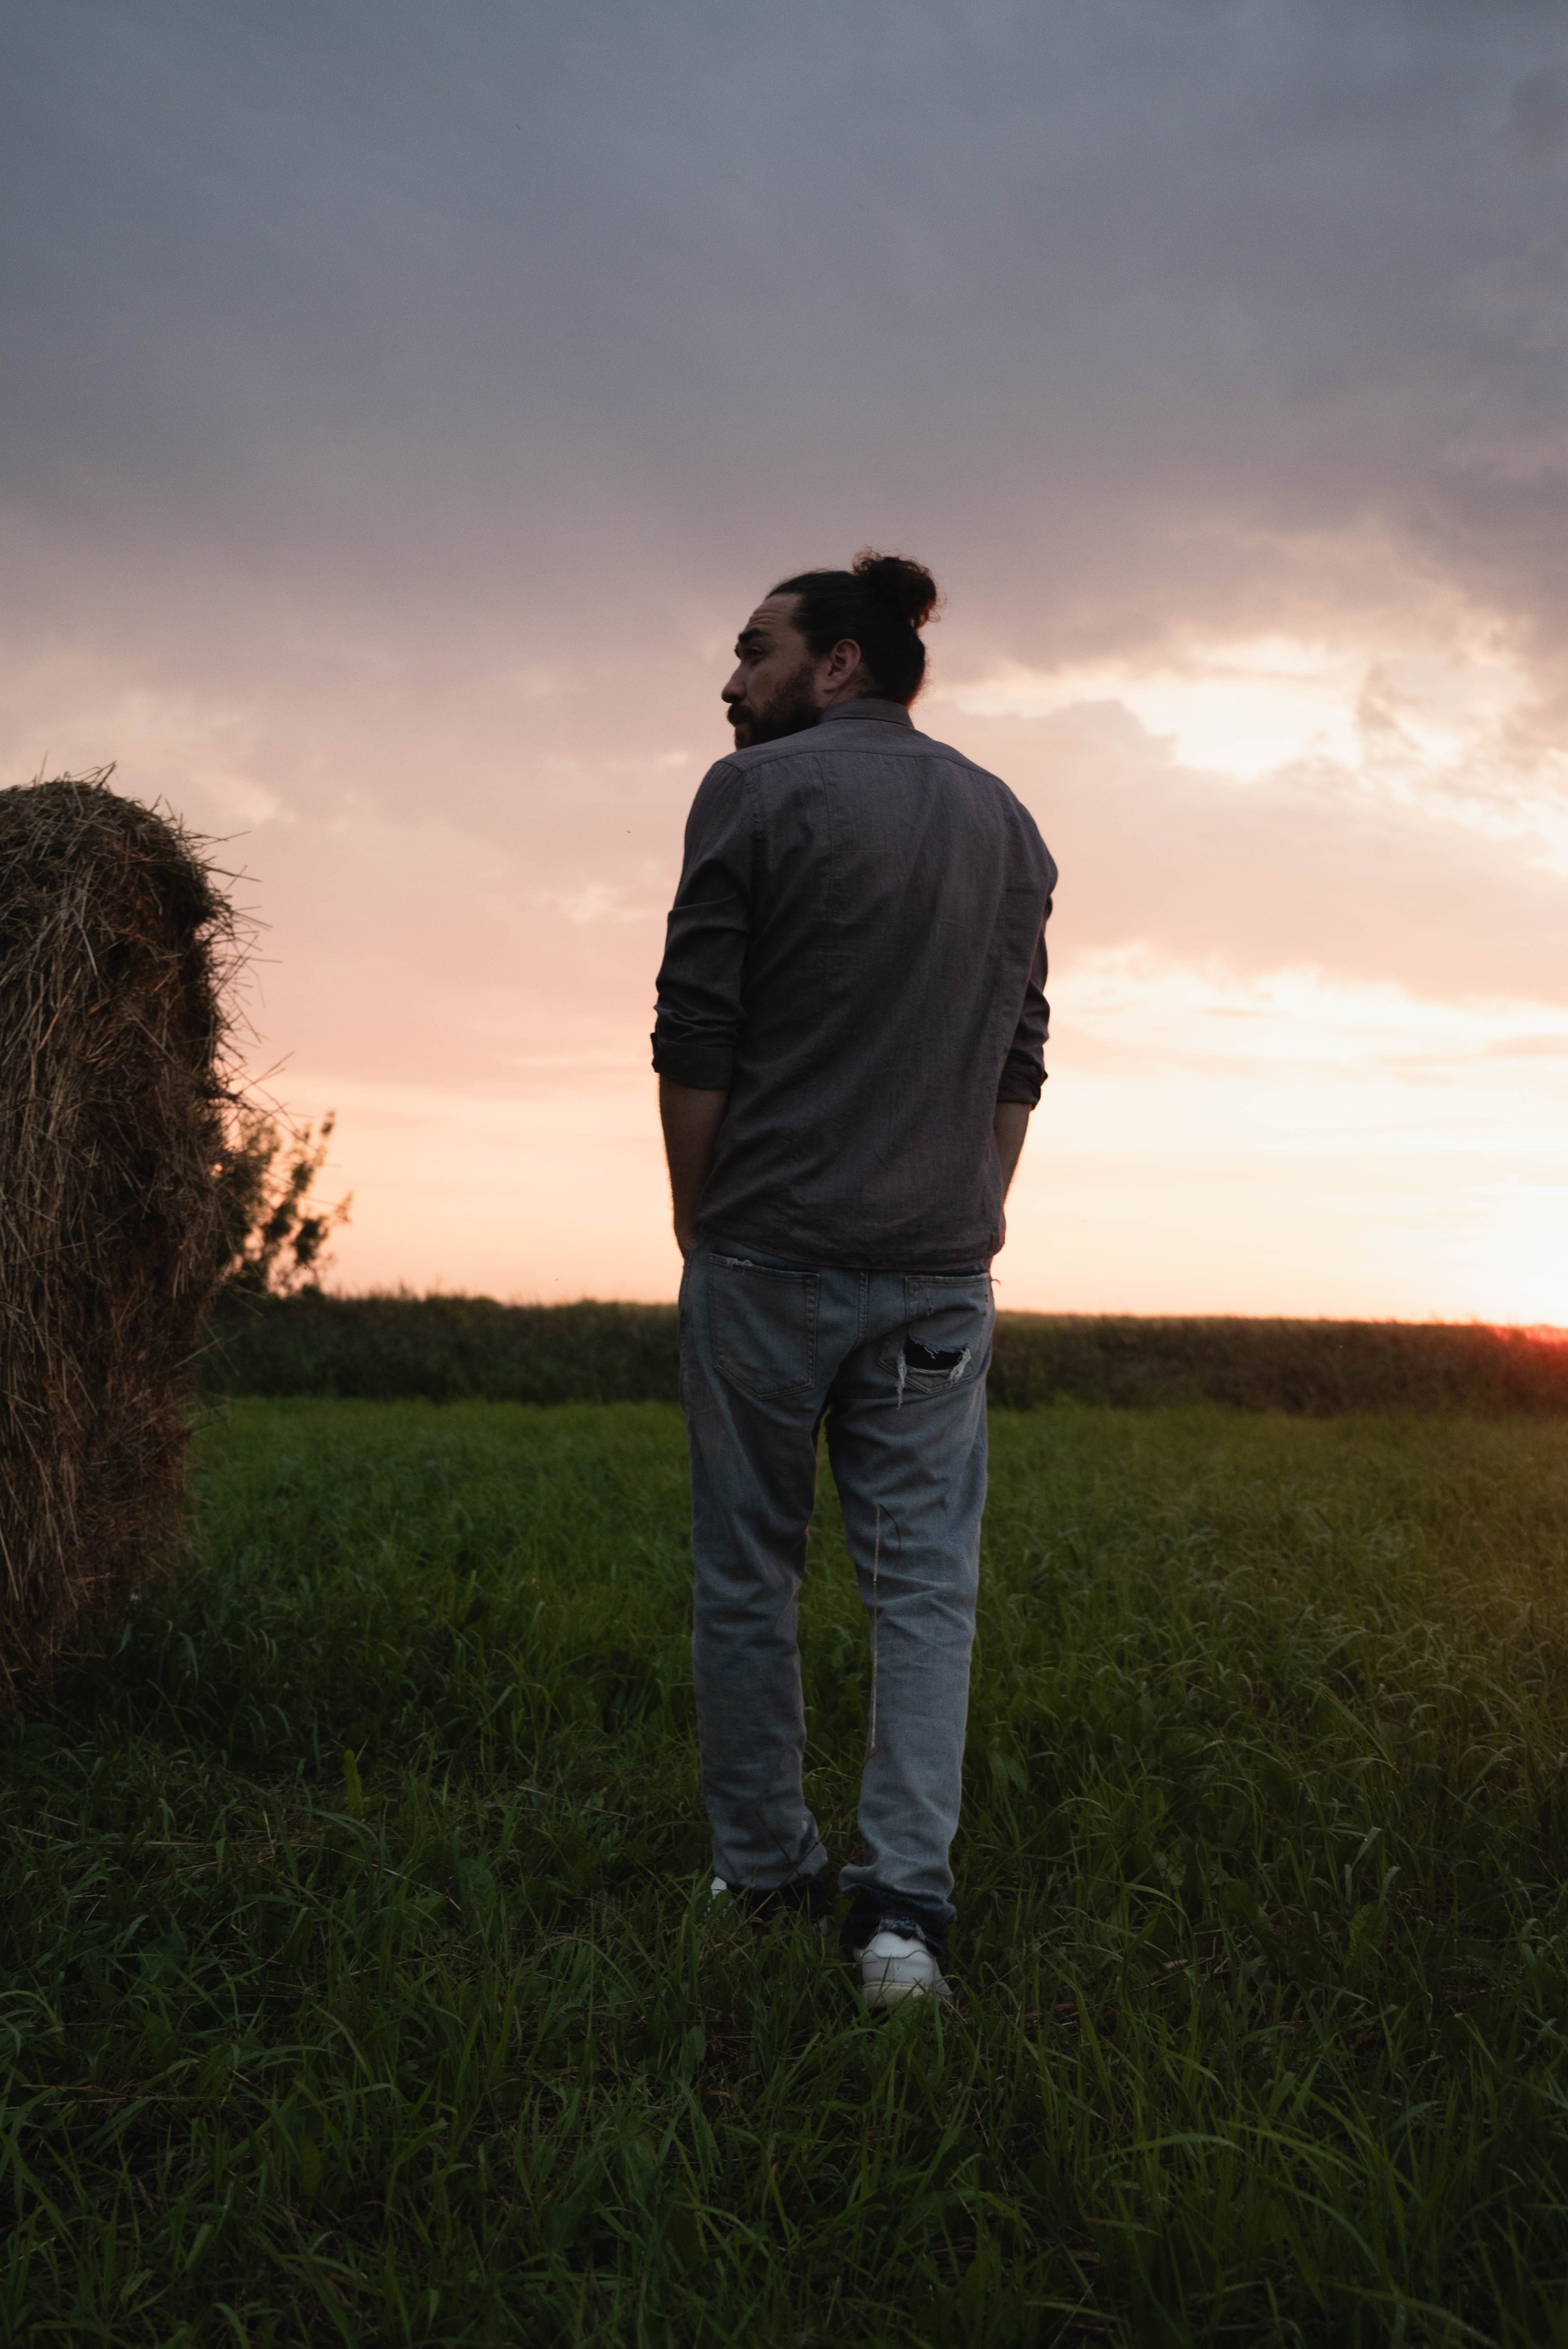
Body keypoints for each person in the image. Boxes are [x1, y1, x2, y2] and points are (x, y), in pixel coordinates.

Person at [652, 551, 1056, 2008]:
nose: (730, 677)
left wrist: (703, 1222)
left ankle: (764, 1876)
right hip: (940, 1268)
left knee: (748, 1573)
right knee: (924, 1592)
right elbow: (1018, 1058)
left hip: (768, 1254)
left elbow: (693, 1025)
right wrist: (966, 1208)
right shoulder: (1009, 824)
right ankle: (900, 1927)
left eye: (755, 649)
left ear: (836, 666)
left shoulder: (747, 794)